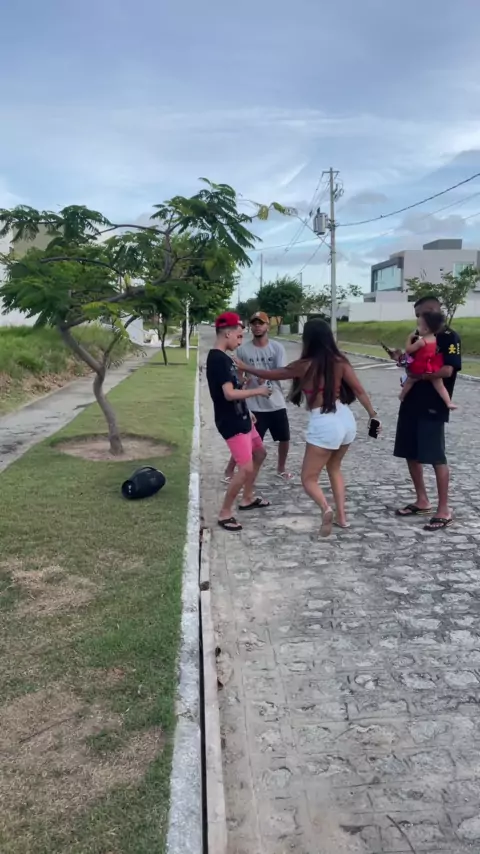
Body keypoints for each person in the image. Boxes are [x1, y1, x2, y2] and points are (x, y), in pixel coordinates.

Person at [234, 318, 378, 537]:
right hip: (346, 419)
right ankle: (342, 518)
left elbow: (274, 373)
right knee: (335, 468)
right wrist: (373, 415)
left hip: (325, 422)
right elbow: (359, 390)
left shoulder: (304, 365)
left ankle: (325, 508)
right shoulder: (340, 360)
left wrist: (245, 367)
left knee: (309, 478)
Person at [393, 295, 462, 531]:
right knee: (410, 451)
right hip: (411, 401)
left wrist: (421, 375)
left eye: (420, 314)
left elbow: (447, 370)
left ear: (433, 311)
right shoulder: (419, 335)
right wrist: (401, 359)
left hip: (433, 403)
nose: (417, 319)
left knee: (435, 455)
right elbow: (411, 361)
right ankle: (422, 500)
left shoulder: (449, 337)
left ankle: (444, 509)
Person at [206, 311, 272, 533]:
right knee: (244, 468)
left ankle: (248, 497)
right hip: (231, 422)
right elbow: (229, 394)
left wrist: (246, 401)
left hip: (242, 416)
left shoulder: (226, 359)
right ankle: (225, 513)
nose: (241, 341)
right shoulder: (218, 359)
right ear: (227, 333)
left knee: (260, 453)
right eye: (239, 336)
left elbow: (235, 387)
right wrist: (258, 391)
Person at [224, 311, 292, 483]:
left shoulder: (277, 348)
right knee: (246, 440)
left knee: (284, 438)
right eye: (254, 323)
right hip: (254, 404)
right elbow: (238, 376)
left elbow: (282, 371)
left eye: (260, 323)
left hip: (275, 401)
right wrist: (243, 380)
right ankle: (229, 470)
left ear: (267, 326)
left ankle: (281, 468)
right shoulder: (243, 350)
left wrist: (265, 376)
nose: (257, 326)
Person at [399, 310, 457, 410]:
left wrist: (409, 338)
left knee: (410, 381)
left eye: (419, 326)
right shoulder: (435, 339)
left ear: (425, 329)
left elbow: (408, 350)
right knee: (440, 386)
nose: (417, 329)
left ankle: (402, 396)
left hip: (420, 366)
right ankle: (448, 402)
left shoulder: (422, 341)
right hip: (432, 366)